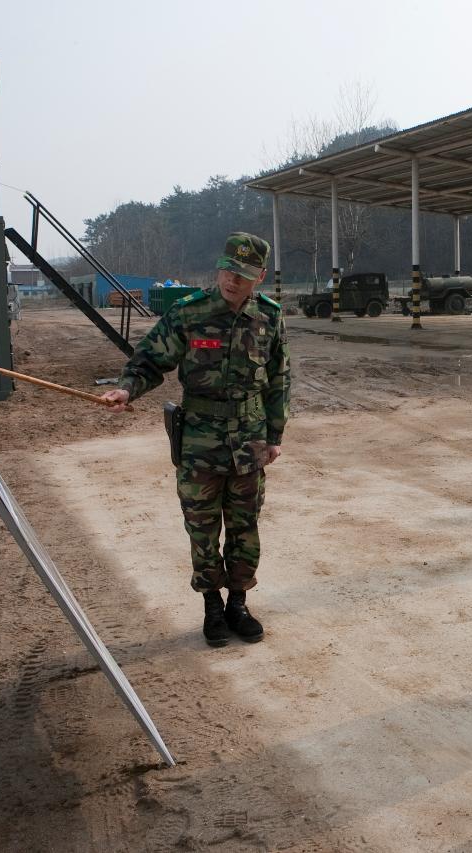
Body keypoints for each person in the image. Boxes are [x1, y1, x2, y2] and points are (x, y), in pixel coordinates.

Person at [100, 232, 291, 648]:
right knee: (202, 528)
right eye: (227, 270)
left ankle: (238, 603)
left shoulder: (269, 316)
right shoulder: (190, 313)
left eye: (242, 275)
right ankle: (211, 604)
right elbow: (150, 360)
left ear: (259, 276)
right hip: (200, 441)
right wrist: (127, 389)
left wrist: (275, 435)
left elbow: (279, 379)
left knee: (245, 526)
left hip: (251, 440)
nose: (231, 281)